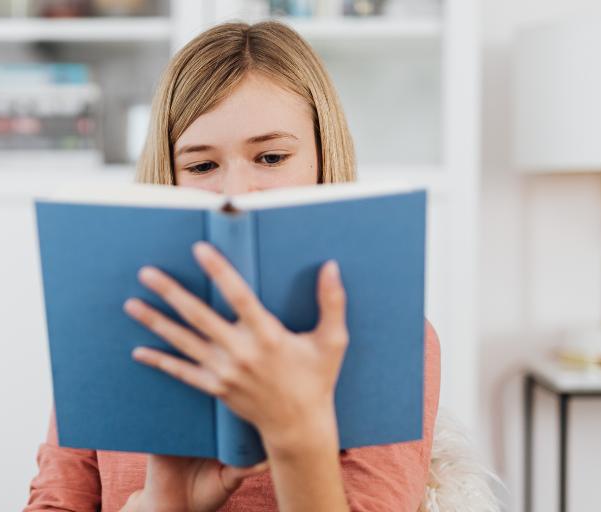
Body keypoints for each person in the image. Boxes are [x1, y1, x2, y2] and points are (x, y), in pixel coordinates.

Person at [26, 20, 440, 512]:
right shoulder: (109, 338)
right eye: (202, 166)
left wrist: (297, 436)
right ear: (169, 179)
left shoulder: (390, 339)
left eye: (270, 156)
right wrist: (161, 506)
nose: (235, 194)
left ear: (323, 159)